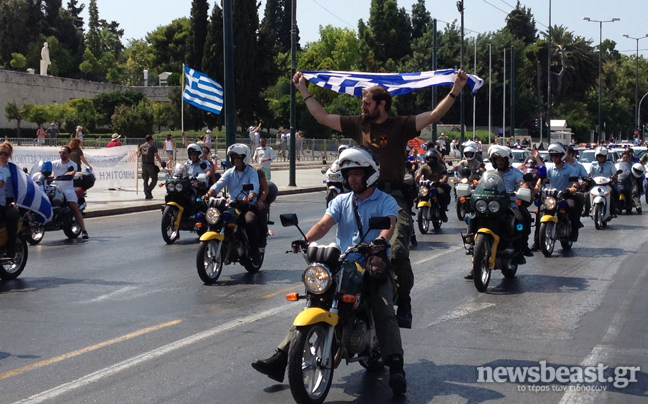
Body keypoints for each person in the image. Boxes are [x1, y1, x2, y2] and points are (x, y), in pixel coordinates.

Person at [292, 69, 468, 329]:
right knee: (340, 250)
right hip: (359, 192)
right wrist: (303, 89)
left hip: (391, 194)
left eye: (366, 102)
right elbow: (323, 117)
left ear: (382, 104)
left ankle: (404, 298)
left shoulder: (401, 125)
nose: (362, 105)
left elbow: (433, 115)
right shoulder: (358, 124)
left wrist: (456, 88)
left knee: (396, 251)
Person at [251, 146, 407, 394]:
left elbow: (388, 225)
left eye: (358, 173)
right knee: (314, 300)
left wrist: (380, 241)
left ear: (370, 174)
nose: (353, 179)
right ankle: (282, 356)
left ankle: (396, 365)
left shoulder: (385, 200)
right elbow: (324, 224)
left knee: (383, 306)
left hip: (372, 262)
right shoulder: (340, 201)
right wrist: (306, 240)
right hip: (343, 262)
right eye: (350, 174)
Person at [464, 145, 532, 279]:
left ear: (508, 160)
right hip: (490, 204)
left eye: (502, 159)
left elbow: (521, 183)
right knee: (472, 216)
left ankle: (521, 248)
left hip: (508, 205)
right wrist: (472, 186)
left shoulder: (515, 173)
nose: (500, 161)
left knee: (522, 218)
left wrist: (522, 188)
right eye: (497, 159)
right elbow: (480, 184)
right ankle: (471, 239)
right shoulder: (489, 173)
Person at [203, 144, 261, 263]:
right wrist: (208, 193)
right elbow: (218, 184)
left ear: (245, 158)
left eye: (239, 157)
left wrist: (249, 197)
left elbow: (255, 189)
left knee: (250, 221)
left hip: (246, 206)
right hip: (232, 204)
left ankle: (255, 251)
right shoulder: (229, 172)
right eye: (234, 157)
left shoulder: (252, 172)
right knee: (215, 218)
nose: (236, 160)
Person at [541, 143, 584, 242]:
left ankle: (574, 229)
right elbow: (542, 179)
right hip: (551, 196)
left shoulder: (570, 169)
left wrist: (573, 188)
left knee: (571, 206)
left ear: (562, 156)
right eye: (552, 156)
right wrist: (537, 187)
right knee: (540, 210)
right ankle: (537, 241)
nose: (554, 158)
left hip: (565, 195)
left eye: (556, 155)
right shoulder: (550, 168)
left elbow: (575, 183)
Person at [53, 146, 88, 239]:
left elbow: (72, 172)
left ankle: (84, 230)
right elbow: (45, 168)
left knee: (74, 207)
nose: (61, 154)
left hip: (67, 189)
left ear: (69, 154)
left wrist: (67, 175)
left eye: (64, 152)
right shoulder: (55, 163)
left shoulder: (72, 164)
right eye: (60, 152)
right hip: (55, 187)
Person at [415, 149, 451, 222]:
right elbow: (418, 175)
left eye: (432, 158)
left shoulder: (440, 166)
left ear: (436, 159)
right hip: (426, 185)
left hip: (437, 184)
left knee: (442, 193)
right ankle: (419, 210)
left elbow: (445, 175)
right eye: (429, 158)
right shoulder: (424, 166)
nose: (431, 160)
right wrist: (416, 179)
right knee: (419, 193)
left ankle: (442, 211)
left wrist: (443, 180)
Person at [0, 141, 20, 257]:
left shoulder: (12, 169)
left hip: (8, 201)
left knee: (12, 217)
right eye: (0, 153)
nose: (3, 156)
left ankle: (10, 249)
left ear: (9, 155)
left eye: (5, 154)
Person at [588, 146, 619, 217]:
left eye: (602, 156)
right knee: (587, 194)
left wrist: (614, 178)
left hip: (606, 184)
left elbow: (615, 174)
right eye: (599, 156)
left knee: (614, 191)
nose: (600, 158)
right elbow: (589, 174)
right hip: (595, 184)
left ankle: (613, 210)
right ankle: (587, 209)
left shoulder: (610, 164)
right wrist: (588, 177)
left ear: (606, 156)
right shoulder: (593, 164)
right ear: (596, 157)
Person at [137, 134, 163, 200]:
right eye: (152, 140)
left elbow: (138, 155)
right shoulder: (152, 147)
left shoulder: (142, 146)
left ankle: (147, 193)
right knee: (154, 178)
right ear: (150, 139)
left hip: (144, 164)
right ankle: (148, 190)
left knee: (145, 179)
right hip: (150, 164)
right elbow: (156, 155)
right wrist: (161, 162)